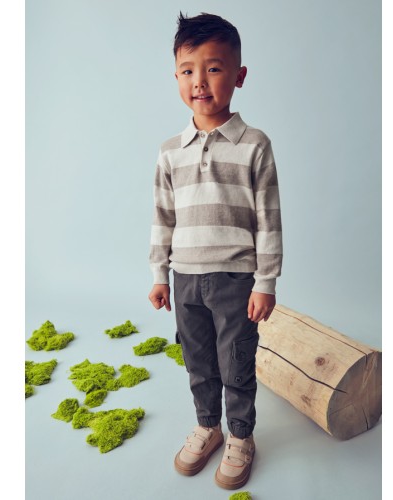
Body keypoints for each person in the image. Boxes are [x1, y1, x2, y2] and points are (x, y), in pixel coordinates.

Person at [148, 12, 283, 490]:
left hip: (235, 281)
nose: (199, 81)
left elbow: (268, 219)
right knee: (199, 361)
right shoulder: (170, 150)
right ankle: (208, 426)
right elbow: (163, 216)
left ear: (239, 75)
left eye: (213, 68)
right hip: (184, 278)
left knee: (236, 362)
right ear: (176, 77)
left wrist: (265, 282)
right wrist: (160, 274)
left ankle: (241, 435)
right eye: (188, 70)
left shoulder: (254, 145)